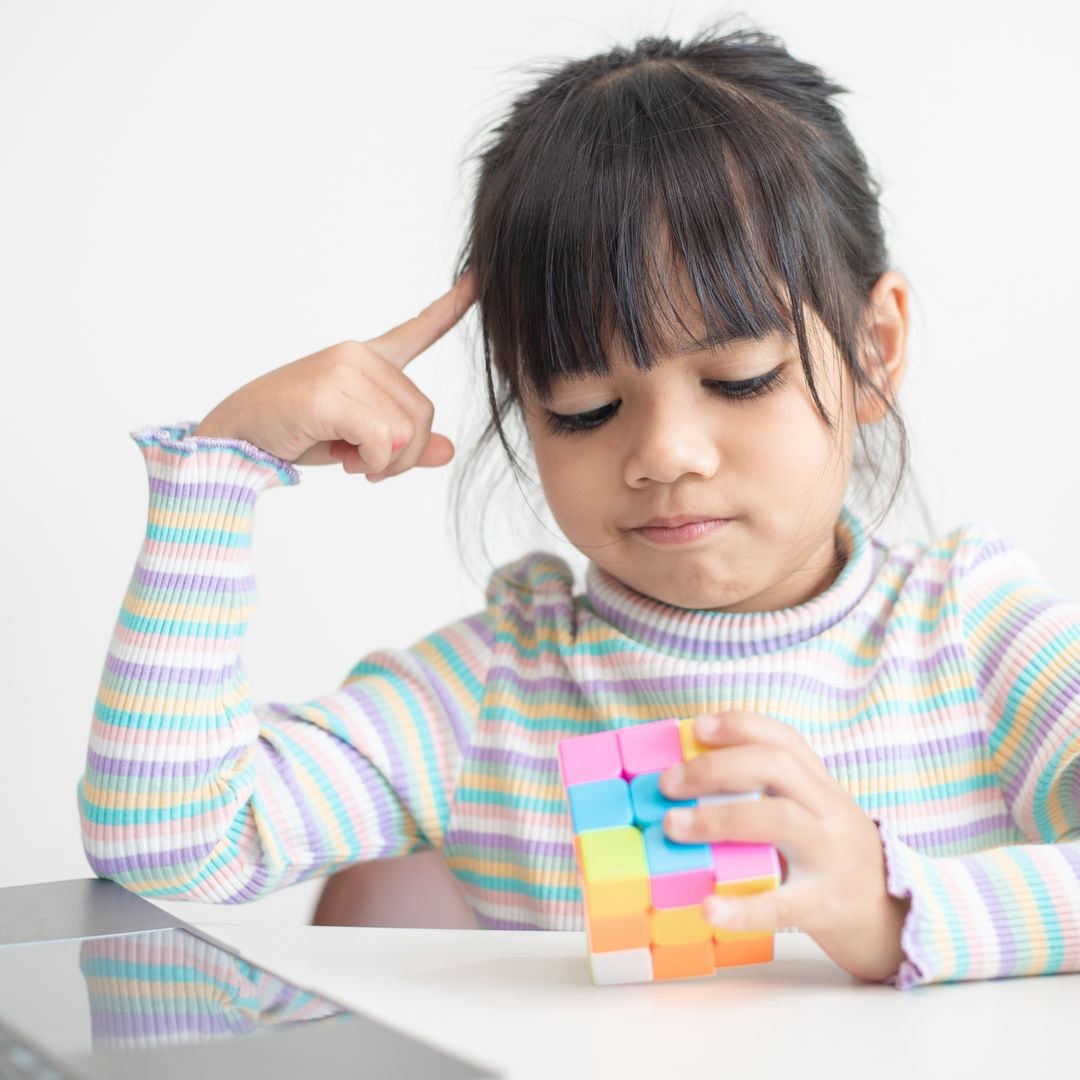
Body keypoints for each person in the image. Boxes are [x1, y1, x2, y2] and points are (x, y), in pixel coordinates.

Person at [78, 21, 1080, 992]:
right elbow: (168, 843)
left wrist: (898, 908)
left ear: (874, 350)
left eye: (738, 380)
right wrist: (219, 475)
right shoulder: (495, 692)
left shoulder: (969, 628)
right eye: (584, 408)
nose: (662, 455)